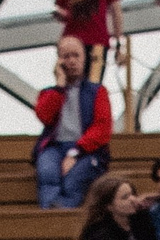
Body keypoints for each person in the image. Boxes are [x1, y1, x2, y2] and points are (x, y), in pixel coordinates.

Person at [34, 36, 115, 209]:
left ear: (84, 58)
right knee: (47, 172)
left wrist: (75, 152)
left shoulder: (97, 91)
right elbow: (45, 117)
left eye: (76, 55)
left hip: (87, 149)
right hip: (55, 147)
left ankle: (62, 210)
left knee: (74, 180)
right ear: (59, 61)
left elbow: (102, 127)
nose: (71, 61)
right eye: (66, 56)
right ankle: (49, 210)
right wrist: (59, 86)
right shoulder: (48, 93)